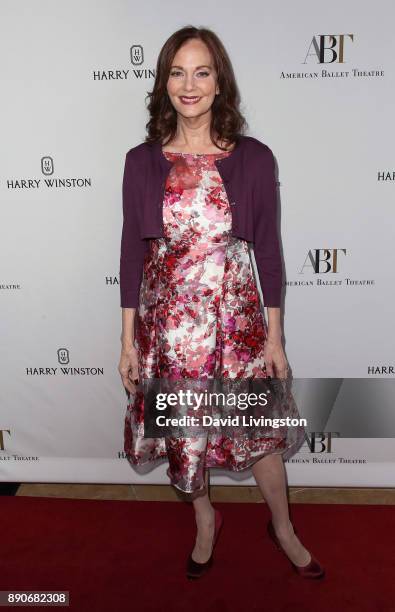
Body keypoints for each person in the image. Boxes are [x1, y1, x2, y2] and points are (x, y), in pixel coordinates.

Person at [118, 25, 324, 580]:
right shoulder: (141, 161)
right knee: (185, 435)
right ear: (163, 82)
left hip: (238, 326)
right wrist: (126, 342)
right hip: (169, 332)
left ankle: (282, 526)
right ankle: (205, 521)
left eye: (201, 71)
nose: (189, 85)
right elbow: (130, 256)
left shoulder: (253, 159)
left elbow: (271, 254)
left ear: (219, 81)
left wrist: (275, 339)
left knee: (259, 436)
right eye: (177, 72)